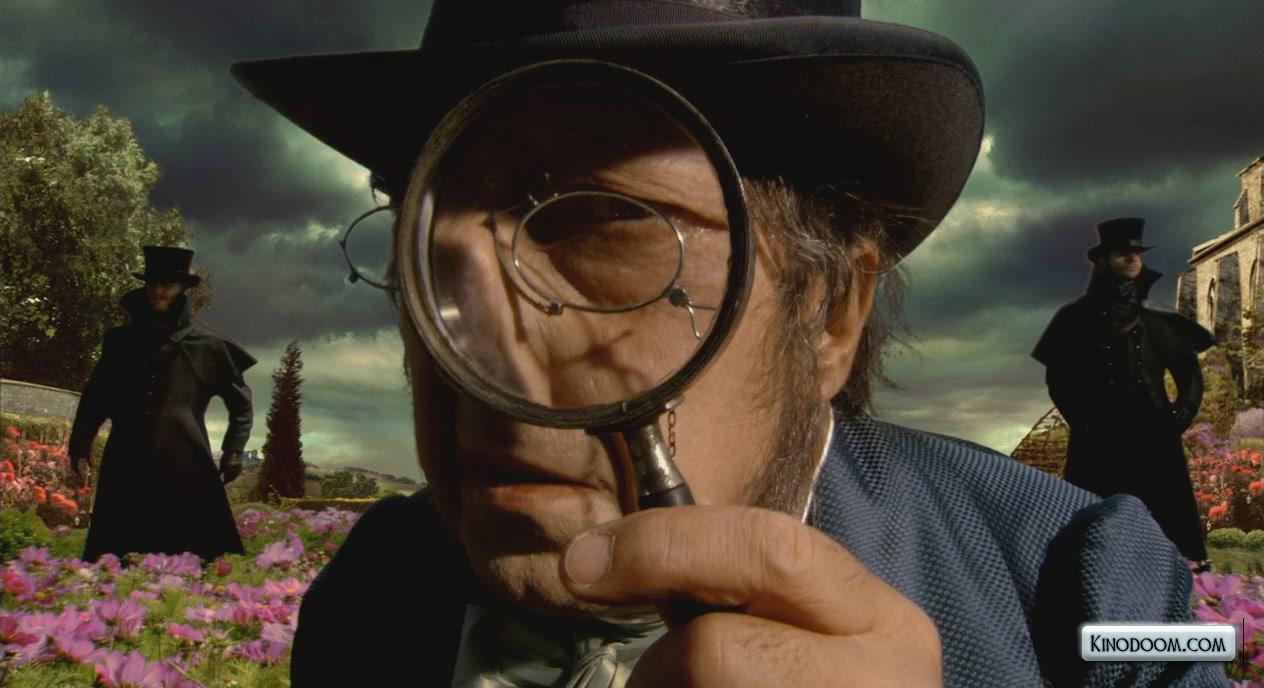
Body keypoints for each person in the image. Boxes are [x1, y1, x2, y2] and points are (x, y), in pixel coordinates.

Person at [233, 1, 1229, 685]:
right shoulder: (368, 594)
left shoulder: (1106, 598)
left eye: (597, 220)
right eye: (427, 242)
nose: (475, 353)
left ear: (832, 311)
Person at [1033, 217, 1215, 565]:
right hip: (1098, 440)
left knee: (1171, 526)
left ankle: (1185, 582)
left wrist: (1179, 416)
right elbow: (1058, 379)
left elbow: (1189, 375)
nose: (1133, 259)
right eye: (1122, 253)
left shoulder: (1158, 320)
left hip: (1156, 436)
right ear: (1104, 261)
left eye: (1137, 253)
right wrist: (1084, 423)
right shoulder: (1074, 319)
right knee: (1095, 529)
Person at [69, 246, 256, 563]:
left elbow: (241, 404)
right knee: (114, 557)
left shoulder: (207, 346)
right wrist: (80, 443)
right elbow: (96, 397)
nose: (158, 291)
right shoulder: (120, 341)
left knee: (195, 557)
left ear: (182, 288)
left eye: (167, 285)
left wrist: (234, 451)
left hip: (186, 464)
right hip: (126, 460)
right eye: (153, 283)